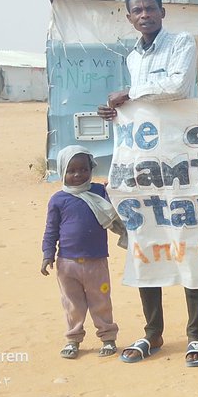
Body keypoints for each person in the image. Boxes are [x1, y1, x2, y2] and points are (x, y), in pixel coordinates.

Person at [99, 0, 198, 367]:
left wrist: (131, 94)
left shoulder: (181, 42)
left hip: (182, 162)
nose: (144, 15)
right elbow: (142, 107)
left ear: (162, 12)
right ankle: (152, 333)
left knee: (188, 243)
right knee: (146, 242)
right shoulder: (133, 57)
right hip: (143, 166)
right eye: (137, 10)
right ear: (129, 17)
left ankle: (196, 336)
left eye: (150, 8)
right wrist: (119, 112)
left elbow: (176, 87)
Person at [41, 145, 122, 360]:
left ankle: (108, 337)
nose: (78, 175)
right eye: (72, 170)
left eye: (84, 169)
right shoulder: (58, 200)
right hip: (67, 264)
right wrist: (47, 254)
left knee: (101, 301)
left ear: (91, 169)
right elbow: (51, 230)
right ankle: (73, 339)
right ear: (62, 171)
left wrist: (112, 188)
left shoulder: (99, 192)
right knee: (72, 304)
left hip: (97, 261)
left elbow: (118, 200)